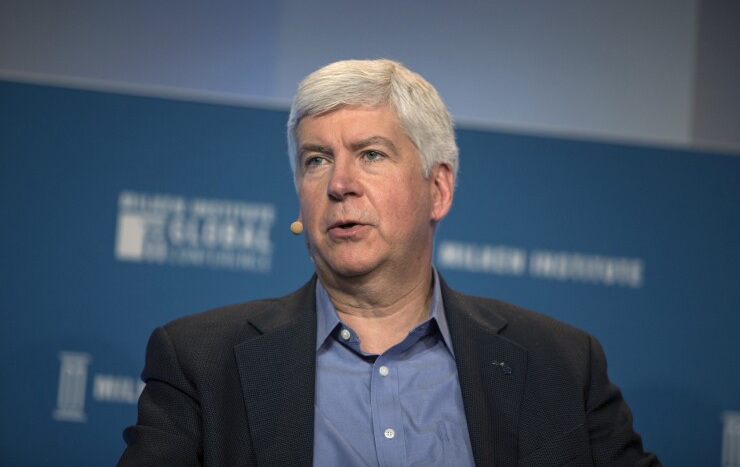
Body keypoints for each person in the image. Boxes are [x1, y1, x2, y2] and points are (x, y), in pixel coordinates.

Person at [117, 59, 660, 466]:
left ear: (438, 189)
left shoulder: (561, 365)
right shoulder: (200, 362)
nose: (340, 184)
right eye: (316, 160)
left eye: (371, 154)